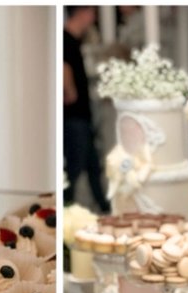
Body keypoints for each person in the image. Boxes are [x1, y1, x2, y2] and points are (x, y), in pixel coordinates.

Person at [64, 6, 110, 212]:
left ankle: (103, 205)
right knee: (75, 167)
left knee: (92, 165)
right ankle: (65, 207)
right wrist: (70, 92)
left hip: (82, 115)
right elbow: (64, 67)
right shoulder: (66, 39)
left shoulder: (75, 40)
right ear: (82, 12)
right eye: (92, 11)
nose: (94, 17)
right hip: (74, 116)